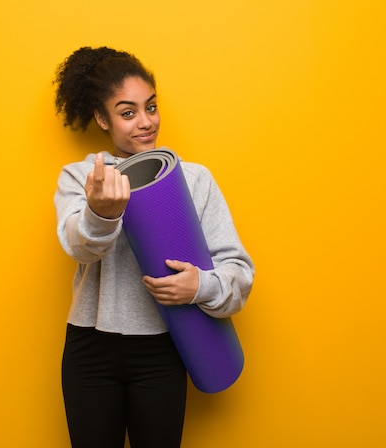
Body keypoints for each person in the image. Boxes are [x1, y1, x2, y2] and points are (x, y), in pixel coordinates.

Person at [53, 46, 254, 448]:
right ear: (102, 119)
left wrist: (199, 287)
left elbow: (239, 272)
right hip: (90, 349)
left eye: (151, 107)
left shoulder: (195, 179)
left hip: (164, 348)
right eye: (127, 113)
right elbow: (79, 247)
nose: (145, 123)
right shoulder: (83, 178)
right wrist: (102, 212)